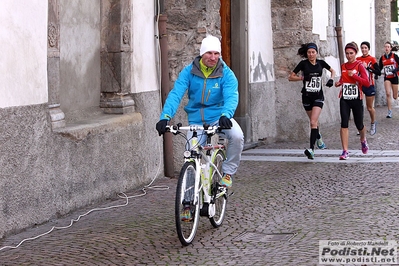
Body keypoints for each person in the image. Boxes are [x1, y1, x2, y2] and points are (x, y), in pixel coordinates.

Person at [156, 35, 244, 192]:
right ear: (202, 54)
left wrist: (226, 114)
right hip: (196, 120)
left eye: (216, 53)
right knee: (191, 158)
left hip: (219, 117)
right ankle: (189, 201)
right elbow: (176, 94)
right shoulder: (189, 72)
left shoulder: (227, 74)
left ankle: (228, 172)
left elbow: (231, 96)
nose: (213, 57)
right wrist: (165, 117)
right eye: (209, 53)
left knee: (237, 136)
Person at [288, 43, 336, 160]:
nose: (311, 54)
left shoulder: (321, 63)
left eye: (313, 52)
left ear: (316, 53)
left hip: (318, 96)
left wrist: (331, 79)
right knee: (313, 122)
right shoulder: (303, 64)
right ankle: (318, 136)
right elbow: (290, 77)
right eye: (309, 52)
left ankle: (311, 149)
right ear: (307, 53)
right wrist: (302, 78)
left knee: (313, 122)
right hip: (307, 96)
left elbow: (333, 71)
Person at [334, 42, 370, 160]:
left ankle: (363, 139)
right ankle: (345, 151)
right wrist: (339, 82)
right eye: (347, 53)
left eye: (351, 53)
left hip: (356, 98)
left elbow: (366, 82)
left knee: (359, 124)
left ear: (355, 53)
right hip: (344, 98)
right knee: (344, 123)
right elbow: (343, 78)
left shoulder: (360, 65)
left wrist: (355, 77)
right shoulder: (343, 66)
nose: (349, 56)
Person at [356, 41, 381, 135]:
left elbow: (378, 72)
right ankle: (360, 127)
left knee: (369, 108)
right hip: (359, 86)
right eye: (362, 48)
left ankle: (373, 123)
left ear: (368, 49)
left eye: (365, 48)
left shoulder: (372, 59)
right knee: (358, 107)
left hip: (369, 85)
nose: (364, 49)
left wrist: (368, 68)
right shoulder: (358, 59)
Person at [378, 41, 399, 118]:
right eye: (385, 47)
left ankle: (397, 93)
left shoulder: (394, 56)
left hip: (394, 77)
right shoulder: (382, 58)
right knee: (388, 93)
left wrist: (396, 69)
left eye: (388, 47)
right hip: (387, 78)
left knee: (395, 96)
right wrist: (376, 73)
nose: (386, 48)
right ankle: (389, 111)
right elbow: (379, 68)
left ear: (390, 48)